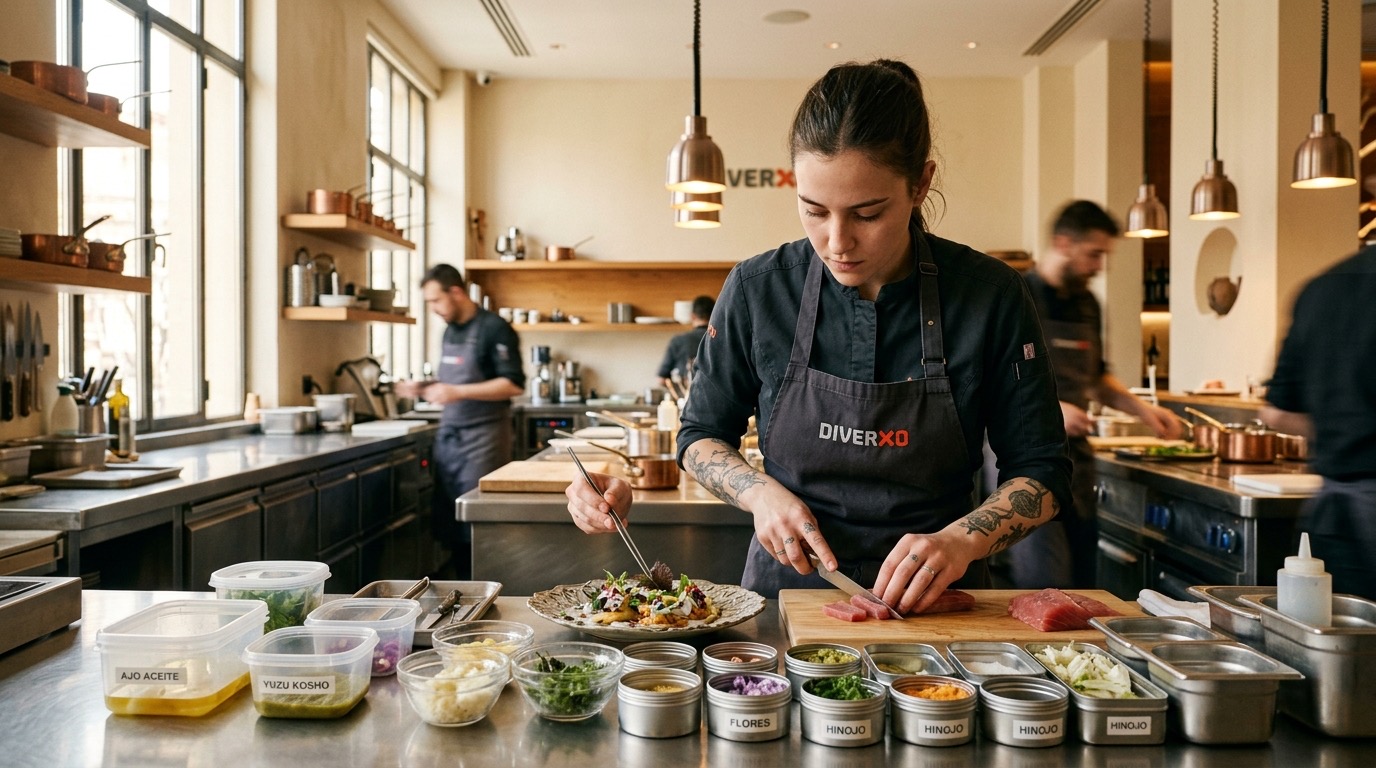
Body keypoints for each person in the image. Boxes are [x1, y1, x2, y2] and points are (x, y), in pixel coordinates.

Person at [565, 59, 1073, 614]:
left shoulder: (990, 295)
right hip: (787, 600)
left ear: (921, 183)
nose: (837, 242)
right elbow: (700, 435)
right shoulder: (759, 290)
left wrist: (961, 541)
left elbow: (1041, 469)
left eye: (867, 213)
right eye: (814, 210)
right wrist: (758, 493)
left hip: (940, 606)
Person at [1007, 200, 1183, 589]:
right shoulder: (1016, 297)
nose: (1099, 267)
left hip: (1077, 463)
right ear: (1063, 242)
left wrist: (1145, 411)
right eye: (1094, 255)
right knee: (1044, 586)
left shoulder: (1087, 304)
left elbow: (1097, 378)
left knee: (1086, 586)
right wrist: (1050, 409)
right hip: (1025, 465)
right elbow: (989, 383)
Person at [1260, 245, 1376, 600]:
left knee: (1337, 649)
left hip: (1334, 515)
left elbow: (1275, 411)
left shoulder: (1321, 287)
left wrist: (1341, 425)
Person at [394, 264, 524, 578]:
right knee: (449, 523)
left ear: (456, 292)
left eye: (435, 301)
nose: (433, 309)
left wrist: (456, 390)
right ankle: (461, 593)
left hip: (485, 439)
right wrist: (424, 387)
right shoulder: (450, 330)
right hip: (450, 438)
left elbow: (514, 384)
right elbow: (453, 381)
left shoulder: (495, 328)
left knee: (477, 524)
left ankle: (485, 588)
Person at [657, 295, 714, 390]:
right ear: (713, 316)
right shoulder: (719, 340)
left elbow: (661, 379)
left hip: (684, 400)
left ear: (692, 316)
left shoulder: (678, 341)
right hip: (715, 401)